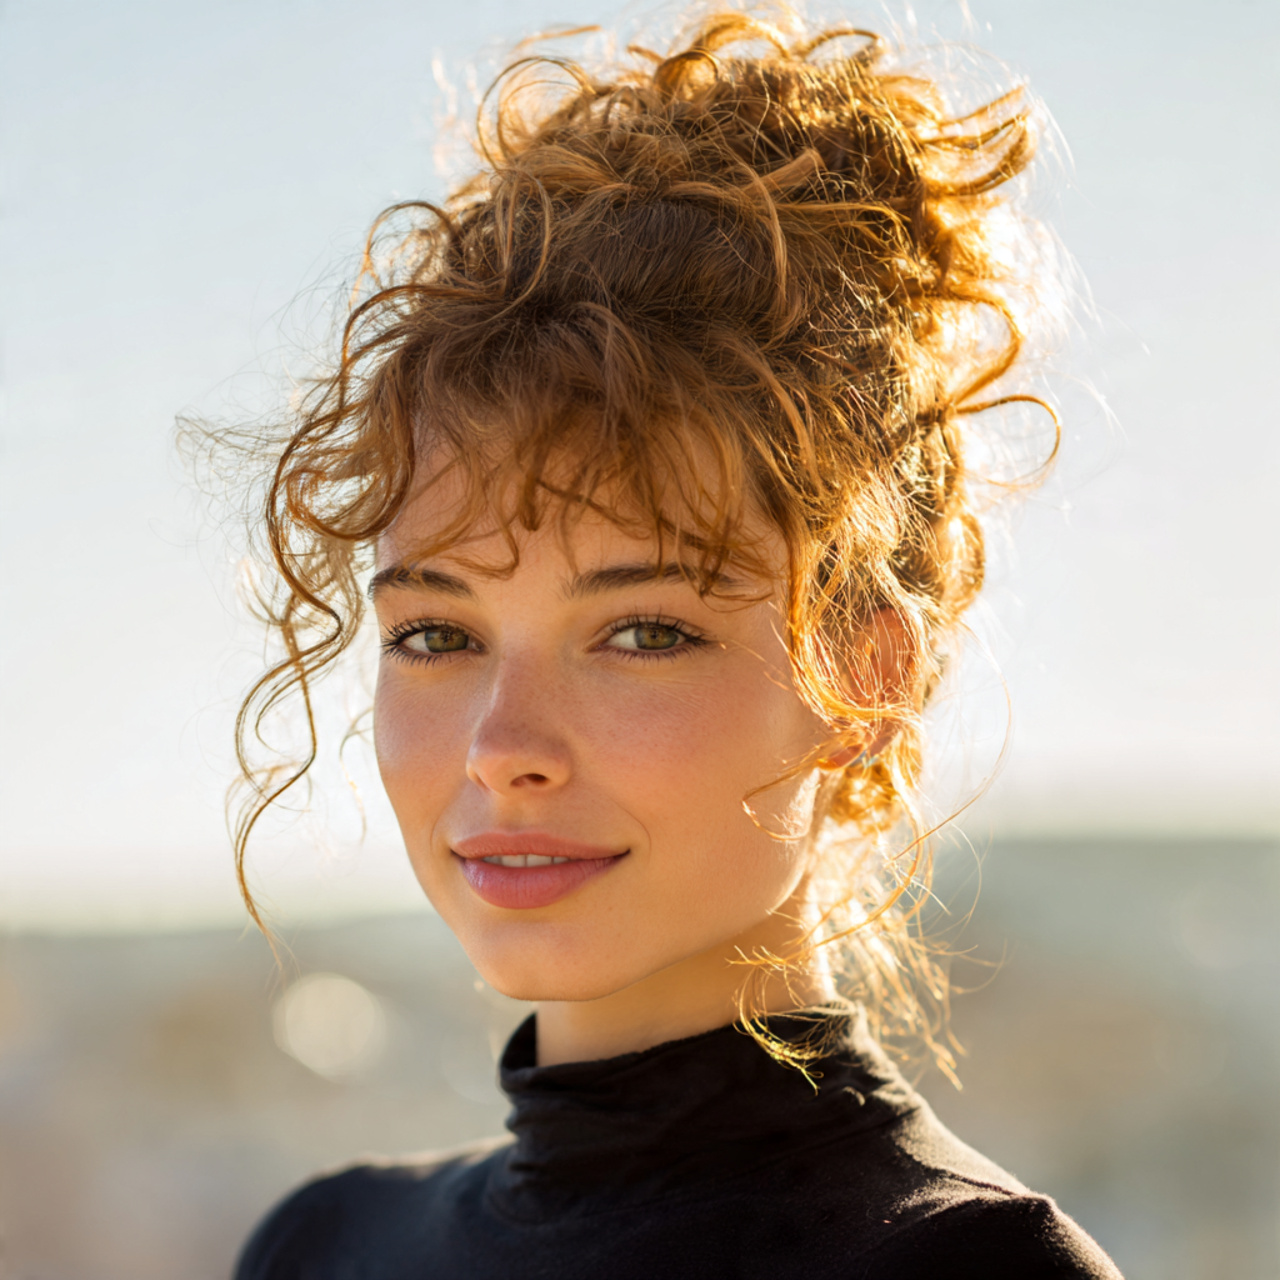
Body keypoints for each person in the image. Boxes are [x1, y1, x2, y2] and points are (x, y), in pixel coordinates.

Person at [229, 8, 1122, 1276]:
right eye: (436, 631)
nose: (503, 748)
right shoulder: (319, 1246)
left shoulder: (964, 1270)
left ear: (867, 678)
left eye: (641, 630)